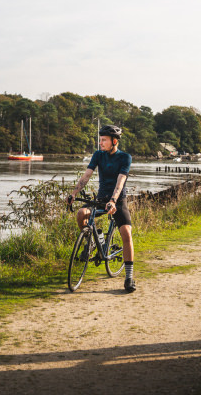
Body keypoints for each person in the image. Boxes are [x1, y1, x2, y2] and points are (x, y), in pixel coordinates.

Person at [68, 124, 136, 293]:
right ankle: (92, 240)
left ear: (114, 141)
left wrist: (113, 201)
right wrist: (74, 193)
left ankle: (129, 277)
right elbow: (86, 176)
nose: (100, 143)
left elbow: (120, 182)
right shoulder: (98, 155)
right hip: (100, 199)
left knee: (126, 233)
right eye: (100, 140)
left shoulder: (125, 158)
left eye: (104, 140)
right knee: (81, 214)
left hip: (117, 200)